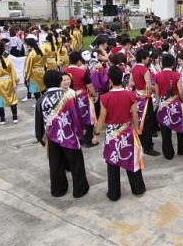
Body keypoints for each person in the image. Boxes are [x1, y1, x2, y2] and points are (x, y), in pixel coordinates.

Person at [93, 66, 146, 201]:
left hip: (112, 134)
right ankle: (138, 189)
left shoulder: (105, 97)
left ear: (110, 80)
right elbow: (134, 115)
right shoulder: (130, 94)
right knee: (132, 160)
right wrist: (137, 129)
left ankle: (114, 193)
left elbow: (102, 118)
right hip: (128, 131)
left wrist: (96, 134)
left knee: (112, 162)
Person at [34, 70, 90, 198]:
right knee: (76, 163)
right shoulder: (68, 96)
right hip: (69, 136)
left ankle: (58, 190)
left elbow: (38, 123)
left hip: (52, 138)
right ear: (59, 81)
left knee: (55, 164)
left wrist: (42, 139)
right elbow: (76, 117)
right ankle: (79, 190)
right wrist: (81, 131)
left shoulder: (41, 100)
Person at [154, 54, 183, 159]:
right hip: (175, 104)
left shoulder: (158, 75)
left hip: (163, 104)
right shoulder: (177, 75)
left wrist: (158, 104)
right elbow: (180, 92)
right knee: (181, 127)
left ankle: (168, 153)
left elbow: (157, 93)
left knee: (165, 131)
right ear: (172, 64)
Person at [24, 37, 47, 102]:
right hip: (42, 72)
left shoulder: (31, 54)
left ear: (29, 45)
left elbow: (28, 66)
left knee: (36, 91)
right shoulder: (42, 51)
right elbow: (45, 62)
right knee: (43, 89)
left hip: (33, 74)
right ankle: (45, 102)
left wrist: (27, 76)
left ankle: (38, 103)